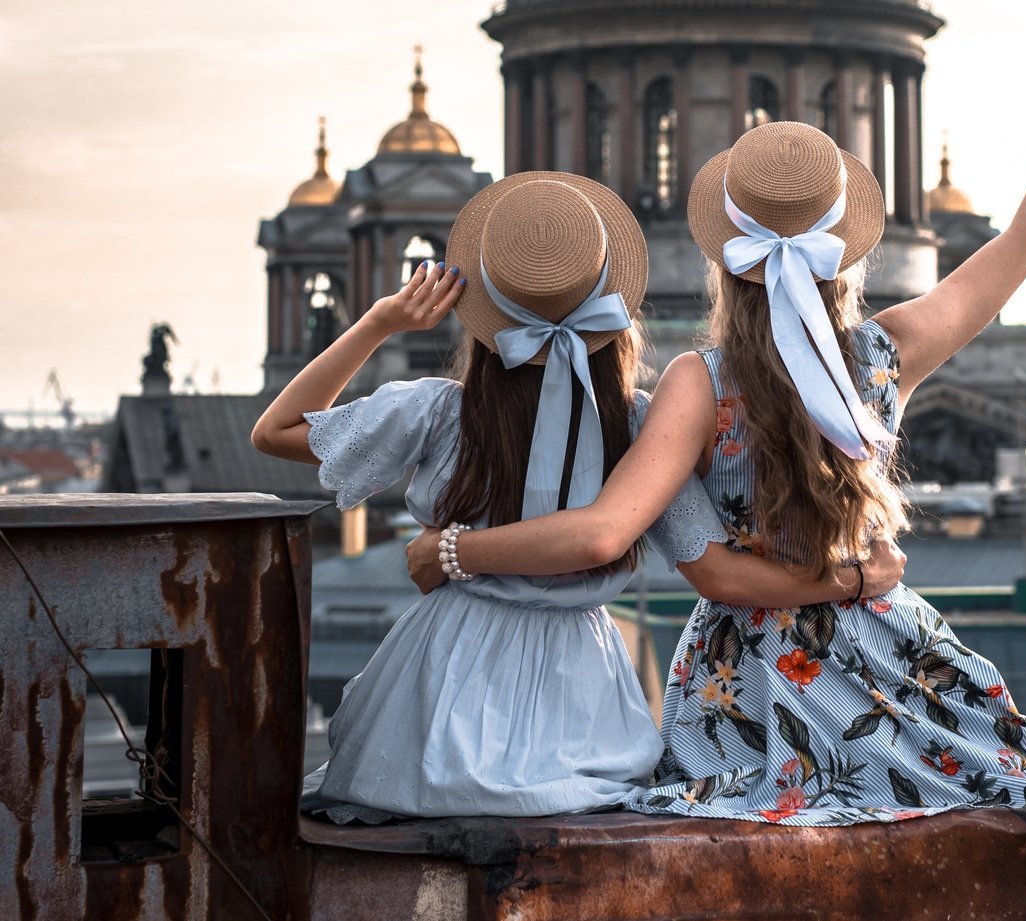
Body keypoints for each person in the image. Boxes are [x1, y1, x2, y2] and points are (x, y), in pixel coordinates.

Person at [405, 0, 1026, 824]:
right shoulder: (888, 353)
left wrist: (452, 551)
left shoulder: (697, 385)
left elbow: (622, 539)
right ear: (849, 246)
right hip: (893, 655)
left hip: (754, 692)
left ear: (720, 251)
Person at [252, 171, 905, 823]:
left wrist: (379, 320)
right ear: (614, 310)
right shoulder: (645, 428)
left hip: (441, 676)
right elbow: (712, 566)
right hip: (584, 693)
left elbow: (276, 431)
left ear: (483, 311)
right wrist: (851, 578)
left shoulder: (438, 412)